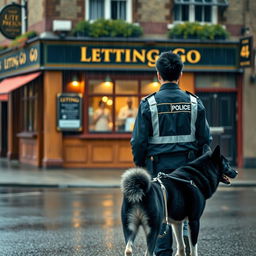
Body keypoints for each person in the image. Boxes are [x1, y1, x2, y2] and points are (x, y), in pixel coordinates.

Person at [130, 51, 212, 256]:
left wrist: (141, 168)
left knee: (161, 217)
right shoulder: (194, 103)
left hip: (158, 170)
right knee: (185, 210)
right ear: (181, 74)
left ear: (158, 75)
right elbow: (205, 141)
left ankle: (164, 250)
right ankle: (184, 237)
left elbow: (138, 142)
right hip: (187, 171)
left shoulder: (148, 104)